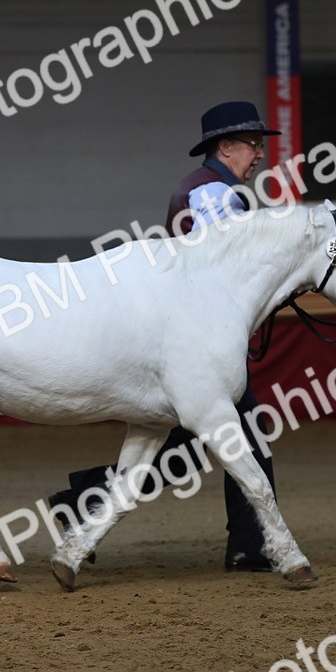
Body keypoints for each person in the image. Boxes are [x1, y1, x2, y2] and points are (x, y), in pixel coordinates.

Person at [48, 101, 283, 573]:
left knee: (195, 448)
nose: (260, 154)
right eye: (253, 145)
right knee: (240, 440)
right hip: (195, 349)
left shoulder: (205, 189)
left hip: (189, 343)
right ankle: (251, 546)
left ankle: (80, 501)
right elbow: (227, 271)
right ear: (226, 147)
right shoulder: (214, 195)